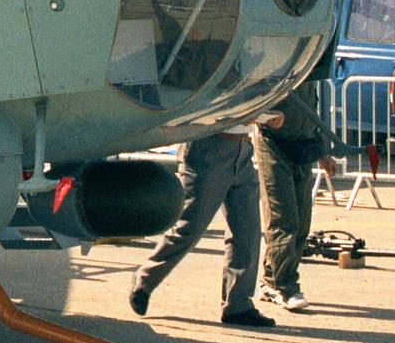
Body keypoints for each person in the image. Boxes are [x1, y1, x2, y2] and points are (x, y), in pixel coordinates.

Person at [129, 127, 276, 327]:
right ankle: (145, 278)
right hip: (209, 147)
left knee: (247, 232)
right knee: (190, 227)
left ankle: (238, 304)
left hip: (242, 149)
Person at [255, 54, 341, 313]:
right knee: (284, 220)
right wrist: (266, 116)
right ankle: (286, 286)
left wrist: (323, 153)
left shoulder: (307, 69)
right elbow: (251, 101)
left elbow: (310, 115)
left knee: (302, 221)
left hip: (302, 148)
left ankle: (270, 279)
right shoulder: (274, 64)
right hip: (274, 145)